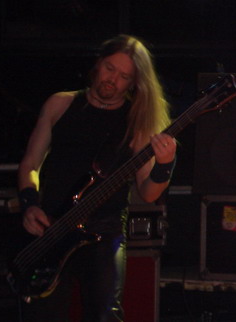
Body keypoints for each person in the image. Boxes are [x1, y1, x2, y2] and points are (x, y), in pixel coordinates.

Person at [16, 34, 176, 321]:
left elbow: (149, 192)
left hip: (104, 233)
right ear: (98, 63)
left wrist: (165, 166)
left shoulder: (137, 122)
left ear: (133, 83)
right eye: (110, 68)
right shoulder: (60, 104)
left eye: (124, 76)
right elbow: (30, 163)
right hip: (52, 227)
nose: (113, 80)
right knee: (43, 313)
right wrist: (29, 204)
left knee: (105, 314)